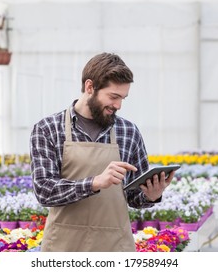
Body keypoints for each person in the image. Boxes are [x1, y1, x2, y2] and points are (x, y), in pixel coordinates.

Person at [30, 52, 175, 252]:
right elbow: (44, 191)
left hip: (115, 246)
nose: (118, 105)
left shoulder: (129, 132)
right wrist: (95, 182)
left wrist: (151, 195)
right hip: (64, 247)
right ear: (90, 87)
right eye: (113, 96)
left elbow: (134, 197)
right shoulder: (48, 129)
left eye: (123, 98)